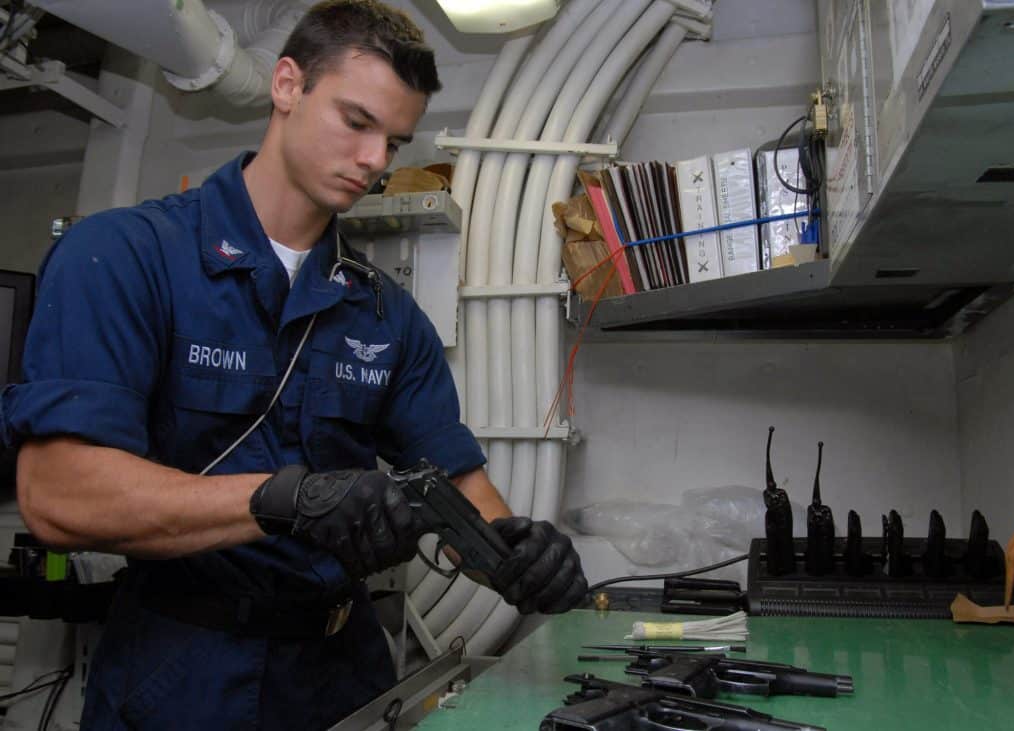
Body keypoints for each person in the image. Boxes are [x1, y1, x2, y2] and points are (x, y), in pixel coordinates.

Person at [0, 1, 588, 728]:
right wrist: (283, 499)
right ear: (286, 85)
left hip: (346, 675)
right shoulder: (125, 256)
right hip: (183, 672)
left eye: (395, 141)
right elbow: (59, 494)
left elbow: (461, 489)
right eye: (357, 121)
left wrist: (514, 551)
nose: (376, 160)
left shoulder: (385, 314)